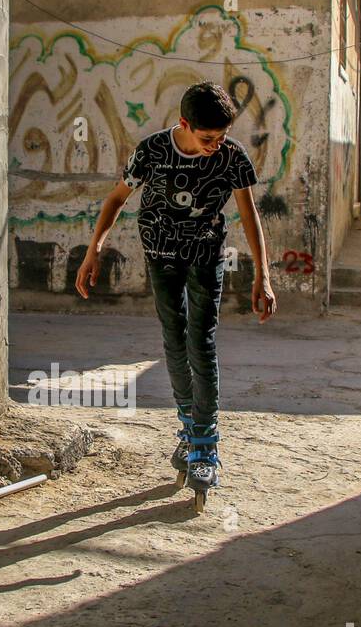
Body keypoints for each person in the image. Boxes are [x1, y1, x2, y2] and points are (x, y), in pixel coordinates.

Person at [74, 81, 276, 501]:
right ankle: (188, 427)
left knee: (200, 343)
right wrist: (94, 251)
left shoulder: (232, 157)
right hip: (161, 255)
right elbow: (115, 200)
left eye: (221, 137)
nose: (215, 146)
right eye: (208, 138)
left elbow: (248, 212)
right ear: (184, 124)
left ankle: (206, 444)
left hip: (206, 255)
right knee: (173, 340)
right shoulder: (152, 151)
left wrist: (263, 275)